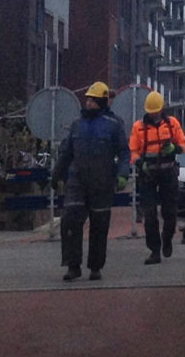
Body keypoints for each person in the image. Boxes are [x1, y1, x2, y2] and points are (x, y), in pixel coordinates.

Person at [52, 82, 128, 281]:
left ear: (102, 102)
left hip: (102, 182)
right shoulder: (77, 125)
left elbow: (123, 152)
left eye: (93, 100)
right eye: (87, 99)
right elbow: (67, 152)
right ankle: (72, 265)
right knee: (69, 220)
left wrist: (122, 174)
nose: (89, 103)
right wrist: (57, 174)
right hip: (77, 181)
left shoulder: (114, 125)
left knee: (99, 225)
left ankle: (95, 267)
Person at [129, 89, 185, 265]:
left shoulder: (172, 124)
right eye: (150, 111)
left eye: (156, 111)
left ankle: (167, 239)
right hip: (148, 175)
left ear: (162, 109)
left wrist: (174, 149)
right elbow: (133, 151)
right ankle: (154, 251)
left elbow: (184, 145)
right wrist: (140, 163)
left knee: (170, 211)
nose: (153, 114)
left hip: (168, 173)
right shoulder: (138, 127)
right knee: (150, 214)